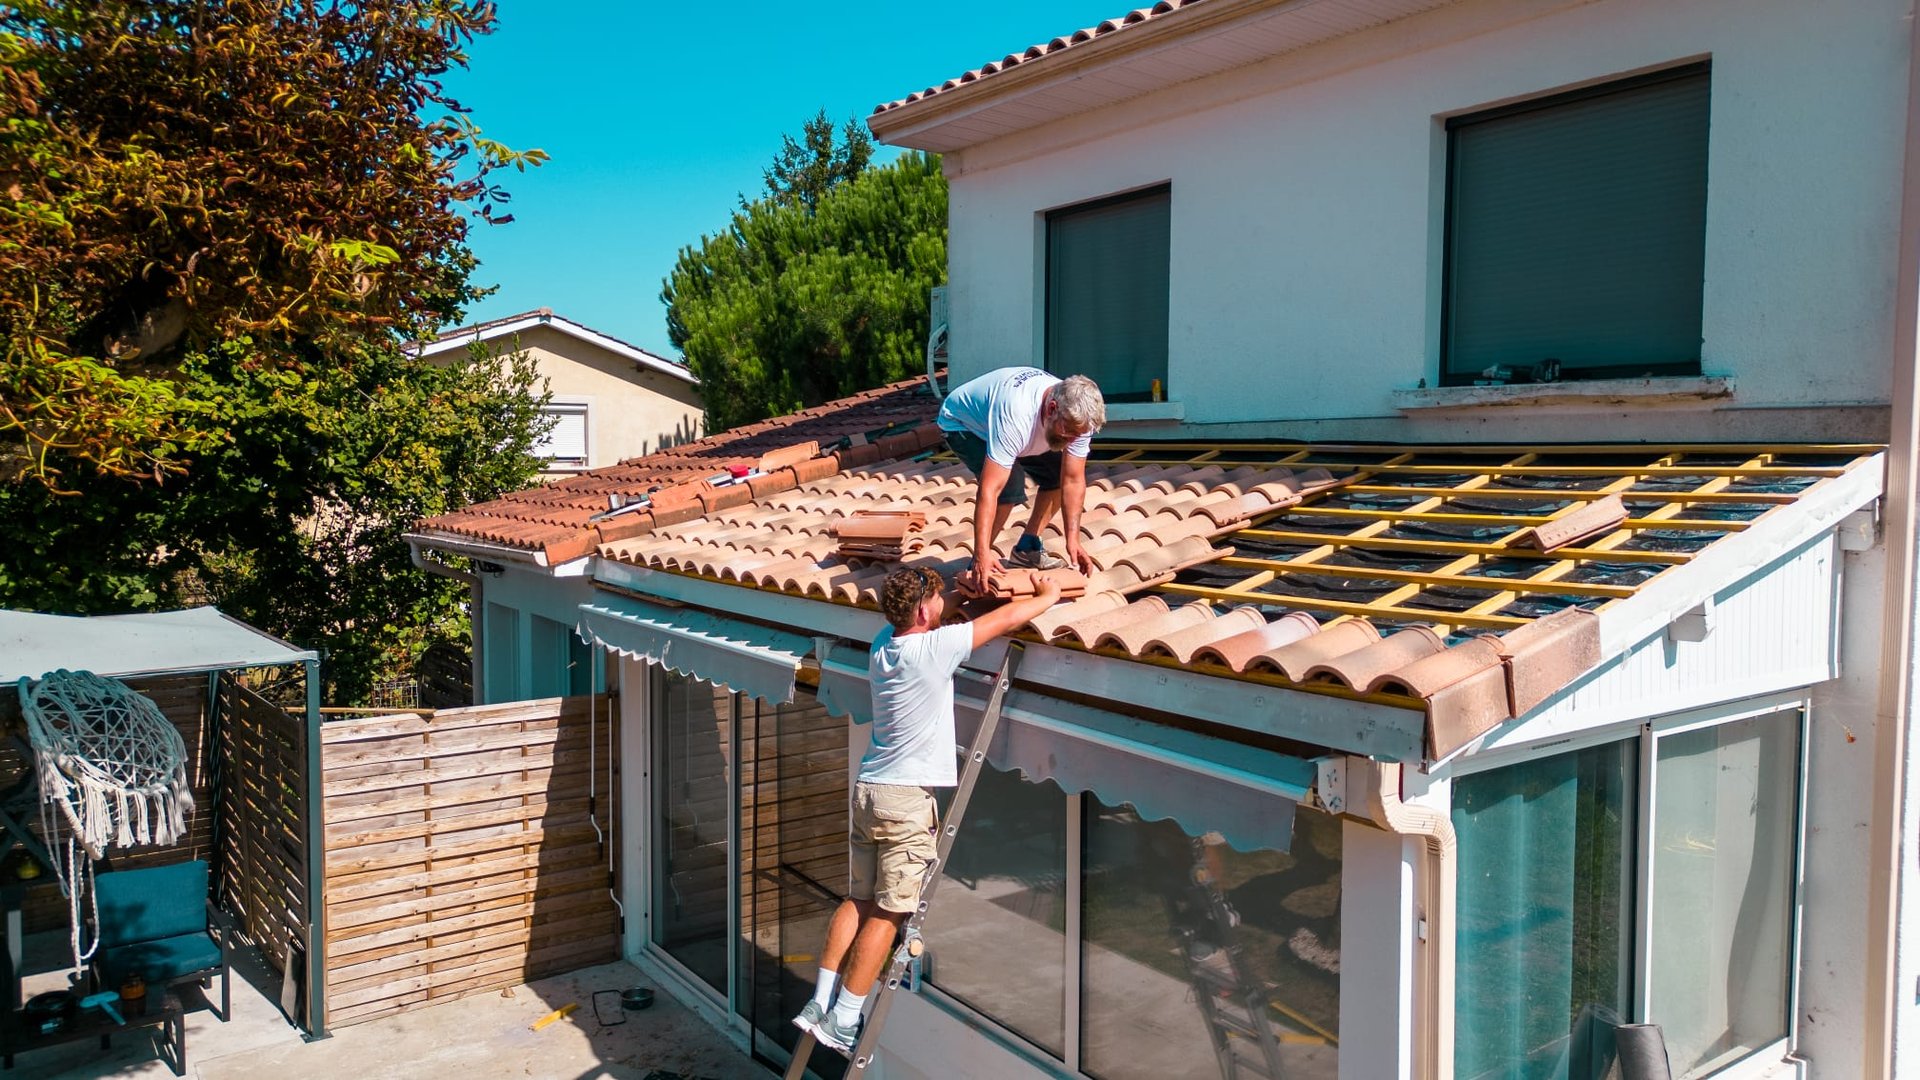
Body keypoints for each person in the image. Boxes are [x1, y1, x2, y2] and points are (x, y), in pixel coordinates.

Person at [798, 565, 1063, 1052]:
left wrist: (955, 603)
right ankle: (845, 1020)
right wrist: (1047, 594)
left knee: (857, 900)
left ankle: (819, 1002)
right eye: (937, 600)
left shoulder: (885, 643)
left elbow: (945, 624)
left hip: (870, 789)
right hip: (905, 800)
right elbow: (1003, 623)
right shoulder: (935, 649)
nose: (944, 605)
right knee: (890, 911)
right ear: (922, 611)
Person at [935, 367, 1106, 590]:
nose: (1074, 440)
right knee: (1009, 487)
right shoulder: (1017, 415)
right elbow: (990, 489)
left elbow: (1072, 480)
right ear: (1052, 408)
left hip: (1023, 426)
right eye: (1069, 432)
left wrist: (1073, 540)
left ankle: (1027, 548)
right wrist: (981, 554)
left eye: (1079, 434)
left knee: (1057, 476)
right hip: (963, 424)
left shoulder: (1077, 418)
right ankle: (977, 565)